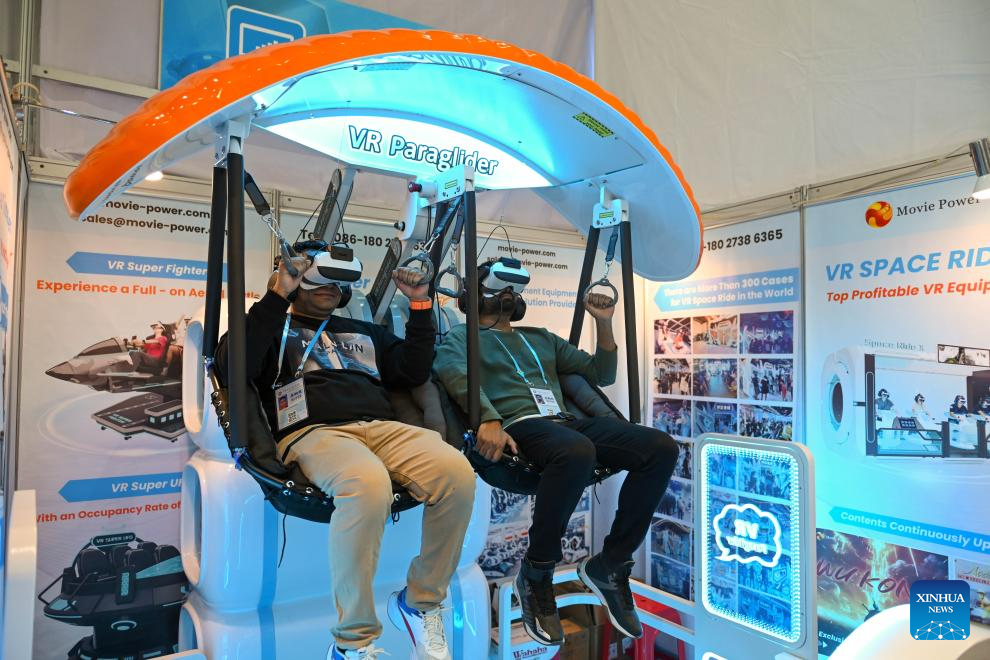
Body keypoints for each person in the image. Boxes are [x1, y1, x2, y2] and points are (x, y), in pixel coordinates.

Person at [216, 248, 475, 660]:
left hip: (382, 427)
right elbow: (232, 367)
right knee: (367, 483)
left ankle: (420, 602)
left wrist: (420, 304)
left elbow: (412, 370)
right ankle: (352, 642)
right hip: (313, 431)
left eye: (338, 282)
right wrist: (278, 295)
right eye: (319, 278)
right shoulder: (273, 327)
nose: (331, 288)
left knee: (457, 473)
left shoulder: (364, 331)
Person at [434, 259, 679, 645]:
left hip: (564, 424)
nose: (508, 294)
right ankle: (537, 572)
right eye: (499, 286)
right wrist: (488, 418)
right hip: (518, 426)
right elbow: (454, 374)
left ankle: (611, 564)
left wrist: (603, 322)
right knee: (577, 451)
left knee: (660, 448)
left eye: (513, 288)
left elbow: (601, 373)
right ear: (472, 295)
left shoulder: (540, 338)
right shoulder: (461, 338)